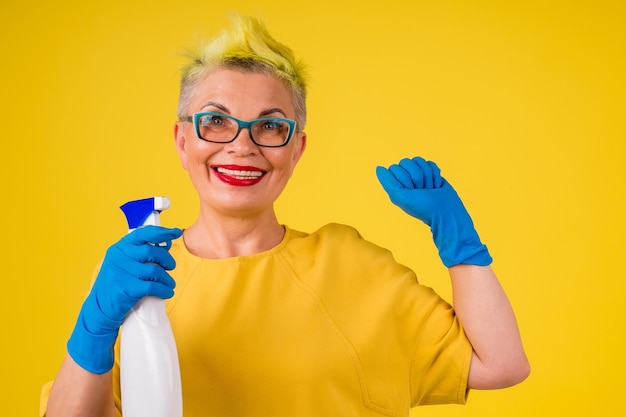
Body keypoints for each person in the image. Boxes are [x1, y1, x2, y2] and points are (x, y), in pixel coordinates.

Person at [42, 14, 529, 417]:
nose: (241, 145)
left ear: (296, 149)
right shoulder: (138, 278)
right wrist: (94, 327)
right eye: (215, 121)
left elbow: (500, 363)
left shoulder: (350, 266)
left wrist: (457, 237)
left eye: (269, 127)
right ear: (182, 139)